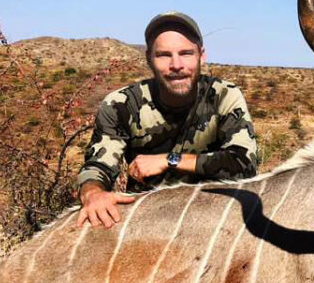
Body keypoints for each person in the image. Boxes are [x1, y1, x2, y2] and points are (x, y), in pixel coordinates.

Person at [76, 11, 260, 228]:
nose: (176, 65)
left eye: (186, 53)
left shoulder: (224, 95)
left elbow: (244, 164)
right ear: (149, 59)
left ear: (201, 56)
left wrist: (169, 160)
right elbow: (98, 166)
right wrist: (93, 193)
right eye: (164, 55)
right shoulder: (121, 104)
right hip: (149, 219)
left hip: (214, 216)